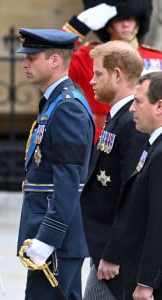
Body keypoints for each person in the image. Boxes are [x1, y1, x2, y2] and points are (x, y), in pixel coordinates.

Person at [15, 28, 95, 300]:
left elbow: (68, 179)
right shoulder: (55, 103)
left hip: (57, 239)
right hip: (49, 233)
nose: (25, 63)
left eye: (32, 57)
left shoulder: (67, 107)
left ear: (55, 61)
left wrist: (49, 237)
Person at [80, 40, 149, 300]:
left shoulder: (131, 122)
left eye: (98, 73)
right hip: (103, 249)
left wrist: (112, 252)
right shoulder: (117, 118)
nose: (91, 81)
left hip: (114, 257)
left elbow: (131, 194)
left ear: (117, 74)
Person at [62, 0, 162, 141]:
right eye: (119, 19)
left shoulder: (156, 58)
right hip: (104, 137)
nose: (126, 24)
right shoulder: (87, 56)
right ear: (107, 25)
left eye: (130, 18)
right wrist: (77, 28)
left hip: (149, 138)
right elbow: (54, 66)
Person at [109, 71, 162, 299]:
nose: (131, 109)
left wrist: (146, 282)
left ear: (159, 106)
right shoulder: (153, 146)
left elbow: (158, 222)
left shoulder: (160, 154)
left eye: (138, 102)